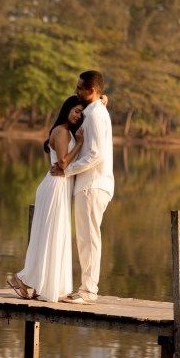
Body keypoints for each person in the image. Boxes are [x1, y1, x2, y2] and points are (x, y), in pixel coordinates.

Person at [6, 95, 84, 304]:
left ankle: (35, 282)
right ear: (67, 109)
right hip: (55, 187)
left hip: (60, 187)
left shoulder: (67, 132)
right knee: (52, 235)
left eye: (81, 113)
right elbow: (63, 163)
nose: (78, 115)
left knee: (52, 236)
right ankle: (25, 278)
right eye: (76, 111)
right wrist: (80, 144)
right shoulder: (61, 131)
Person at [53, 70, 114, 303]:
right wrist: (103, 100)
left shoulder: (96, 114)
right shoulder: (95, 110)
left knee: (88, 239)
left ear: (92, 91)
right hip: (92, 184)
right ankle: (86, 289)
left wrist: (66, 170)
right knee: (86, 238)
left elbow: (96, 154)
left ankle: (88, 291)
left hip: (92, 184)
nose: (76, 91)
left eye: (80, 88)